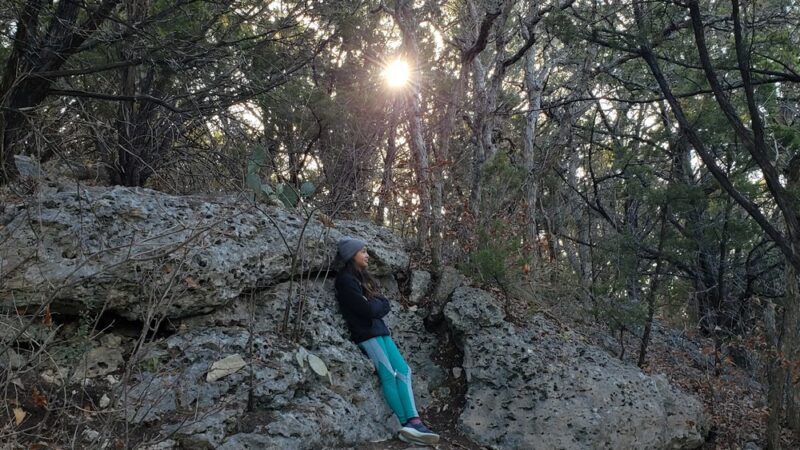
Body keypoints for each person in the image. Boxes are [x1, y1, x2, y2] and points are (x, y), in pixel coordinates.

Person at [334, 237, 440, 446]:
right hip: (367, 334)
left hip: (380, 331)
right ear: (351, 255)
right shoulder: (345, 280)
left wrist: (375, 305)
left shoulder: (363, 278)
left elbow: (383, 303)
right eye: (363, 251)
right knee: (388, 374)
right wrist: (375, 306)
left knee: (404, 370)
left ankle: (415, 421)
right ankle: (407, 424)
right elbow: (366, 309)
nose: (367, 255)